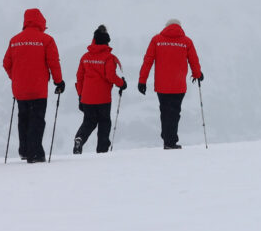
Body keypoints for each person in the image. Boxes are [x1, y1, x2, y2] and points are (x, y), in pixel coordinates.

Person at [2, 8, 65, 163]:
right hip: (38, 88)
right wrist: (59, 82)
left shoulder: (14, 40)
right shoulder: (46, 40)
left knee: (23, 118)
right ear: (41, 21)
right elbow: (53, 63)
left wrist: (14, 77)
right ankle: (35, 153)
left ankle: (24, 150)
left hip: (20, 88)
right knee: (37, 119)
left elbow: (6, 63)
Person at [137, 19, 202, 150]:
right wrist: (197, 74)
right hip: (179, 84)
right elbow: (193, 60)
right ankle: (170, 140)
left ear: (166, 27)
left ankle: (167, 138)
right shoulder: (186, 42)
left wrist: (142, 80)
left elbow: (148, 61)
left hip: (162, 85)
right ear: (180, 27)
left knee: (165, 111)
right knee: (175, 112)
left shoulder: (157, 40)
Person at [74, 25, 127, 154]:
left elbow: (79, 77)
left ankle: (80, 138)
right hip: (103, 98)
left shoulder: (85, 57)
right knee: (104, 123)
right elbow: (110, 76)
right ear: (107, 41)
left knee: (89, 122)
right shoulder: (108, 57)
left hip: (87, 97)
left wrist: (80, 95)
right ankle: (102, 150)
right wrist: (122, 83)